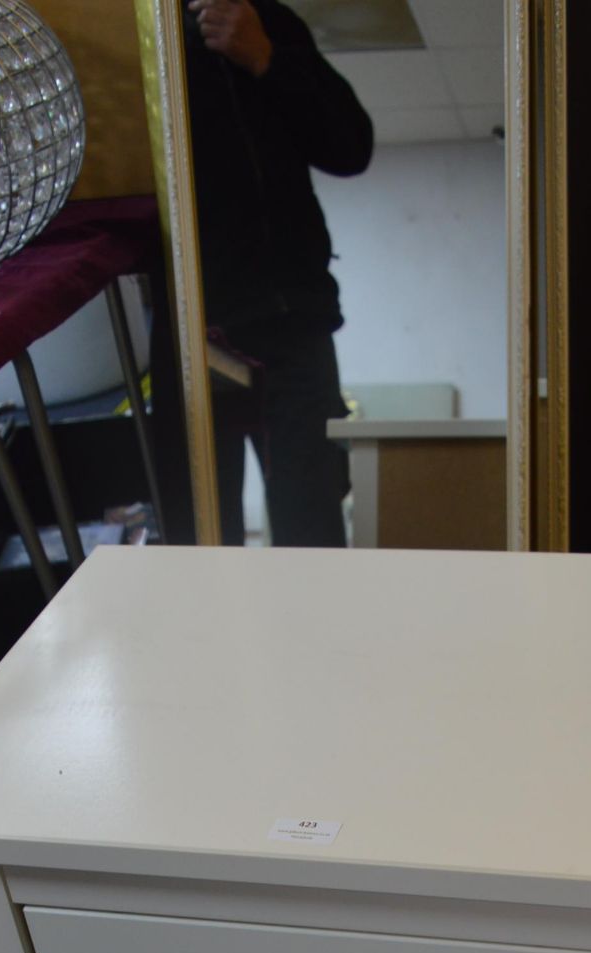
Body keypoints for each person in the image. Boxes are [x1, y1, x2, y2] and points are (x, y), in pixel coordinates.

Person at [182, 0, 374, 546]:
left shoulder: (268, 22)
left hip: (292, 323)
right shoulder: (143, 43)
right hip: (195, 329)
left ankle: (319, 632)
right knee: (200, 539)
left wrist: (267, 58)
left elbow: (351, 147)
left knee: (311, 527)